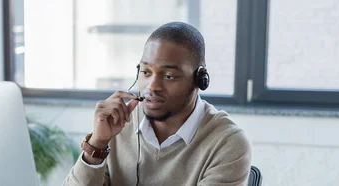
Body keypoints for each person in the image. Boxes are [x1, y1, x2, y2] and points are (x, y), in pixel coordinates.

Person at [62, 22, 252, 186]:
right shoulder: (117, 123)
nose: (152, 86)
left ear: (199, 80)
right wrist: (98, 143)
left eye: (169, 76)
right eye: (145, 72)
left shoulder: (227, 143)